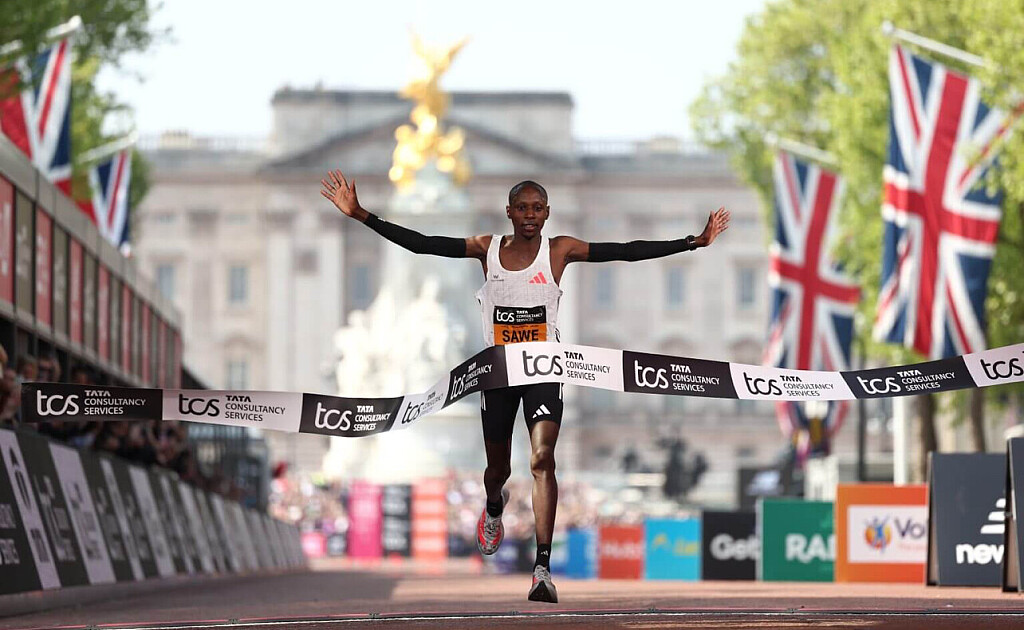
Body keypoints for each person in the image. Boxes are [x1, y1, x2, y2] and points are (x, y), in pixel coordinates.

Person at [320, 170, 730, 602]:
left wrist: (692, 242)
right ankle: (493, 505)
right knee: (497, 470)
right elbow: (424, 244)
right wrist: (361, 215)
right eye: (522, 208)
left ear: (547, 213)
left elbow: (625, 251)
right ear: (510, 212)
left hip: (544, 369)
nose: (530, 215)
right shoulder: (487, 248)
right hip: (498, 373)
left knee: (542, 459)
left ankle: (542, 567)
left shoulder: (560, 250)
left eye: (537, 208)